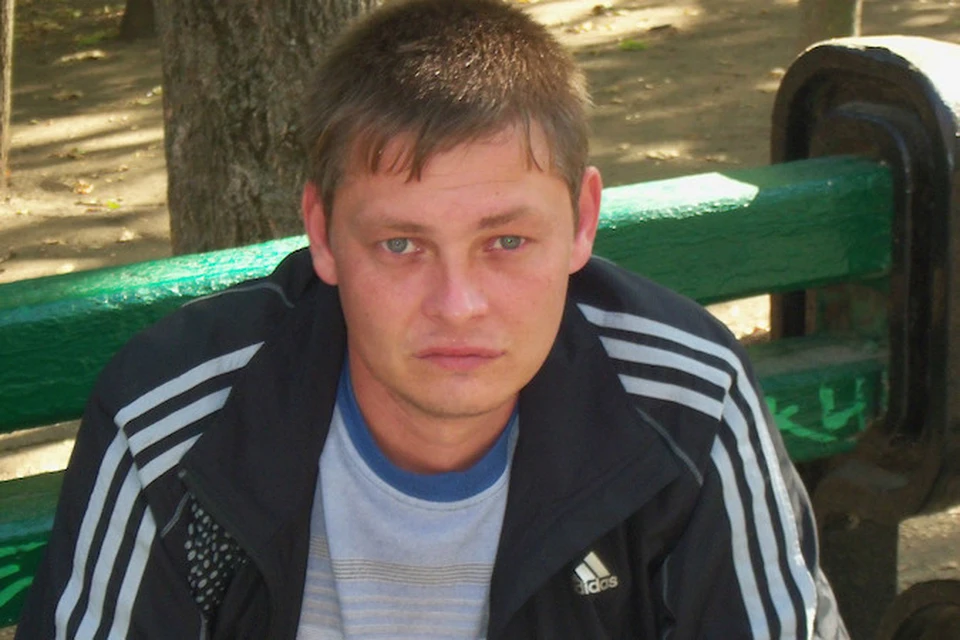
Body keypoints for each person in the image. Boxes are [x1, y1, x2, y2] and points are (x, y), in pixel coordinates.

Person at [16, 0, 848, 637]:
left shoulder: (688, 406)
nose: (458, 304)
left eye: (507, 241)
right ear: (322, 235)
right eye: (401, 245)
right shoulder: (176, 426)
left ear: (583, 222)